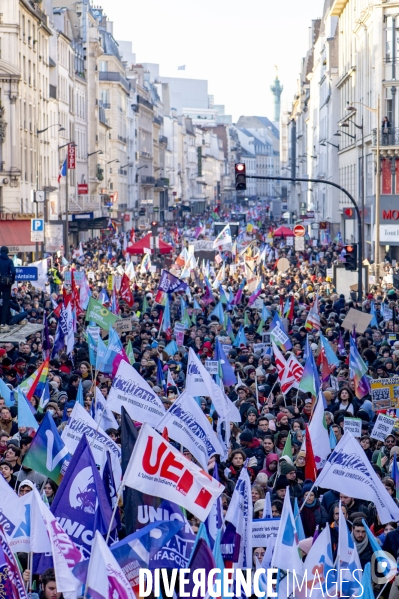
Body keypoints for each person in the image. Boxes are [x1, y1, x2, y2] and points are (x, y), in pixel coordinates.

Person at [0, 246, 16, 332]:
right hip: (6, 283)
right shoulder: (9, 261)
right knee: (5, 303)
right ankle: (3, 323)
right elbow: (13, 272)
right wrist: (12, 280)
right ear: (7, 252)